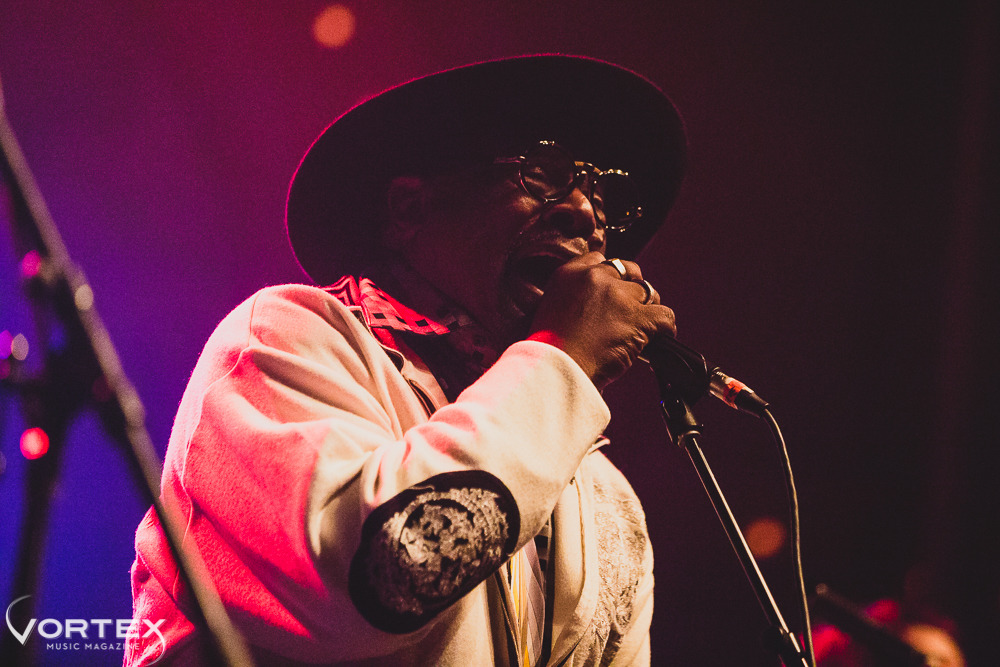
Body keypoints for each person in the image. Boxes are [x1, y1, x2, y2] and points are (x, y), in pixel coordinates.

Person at [124, 54, 686, 666]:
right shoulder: (287, 339)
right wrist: (564, 359)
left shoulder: (606, 499)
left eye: (605, 196)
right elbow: (382, 576)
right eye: (545, 172)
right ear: (409, 211)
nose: (588, 215)